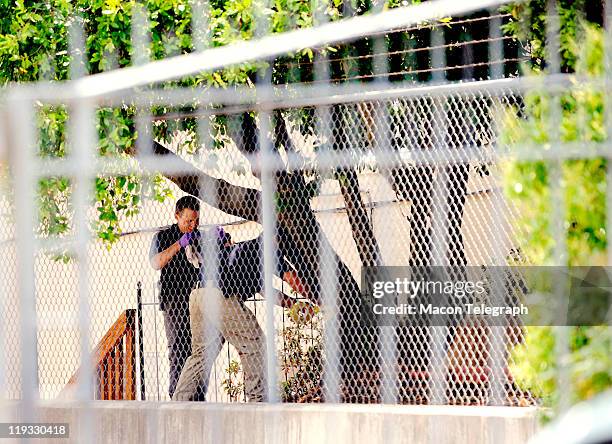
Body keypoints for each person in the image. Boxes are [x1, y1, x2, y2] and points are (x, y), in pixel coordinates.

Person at [171, 232, 313, 402]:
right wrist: (320, 301)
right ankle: (258, 401)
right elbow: (293, 281)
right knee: (255, 344)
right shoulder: (269, 250)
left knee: (202, 354)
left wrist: (297, 305)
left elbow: (268, 292)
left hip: (198, 293)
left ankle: (178, 403)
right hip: (220, 295)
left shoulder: (248, 251)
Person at [149, 196, 210, 400]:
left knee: (199, 350)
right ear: (177, 216)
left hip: (199, 299)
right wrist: (179, 244)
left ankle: (197, 397)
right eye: (188, 221)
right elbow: (156, 263)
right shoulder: (163, 236)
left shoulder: (200, 237)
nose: (193, 225)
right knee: (178, 348)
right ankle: (176, 397)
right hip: (174, 299)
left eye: (196, 220)